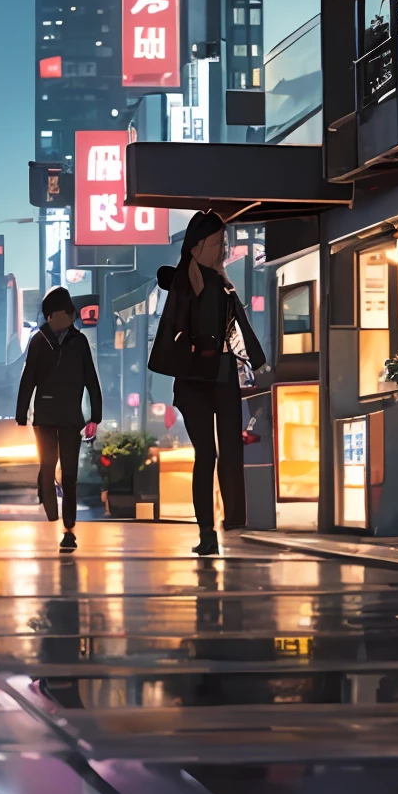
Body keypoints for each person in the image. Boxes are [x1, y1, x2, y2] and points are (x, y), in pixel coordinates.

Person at [147, 210, 267, 556]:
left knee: (225, 452)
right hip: (198, 379)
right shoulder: (187, 283)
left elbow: (240, 328)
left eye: (224, 241)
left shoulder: (219, 284)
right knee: (211, 454)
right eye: (218, 242)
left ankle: (230, 523)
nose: (223, 248)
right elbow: (180, 327)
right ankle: (211, 530)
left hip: (217, 376)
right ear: (199, 245)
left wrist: (257, 364)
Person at [15, 286, 102, 552]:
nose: (70, 317)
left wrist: (95, 415)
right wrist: (21, 413)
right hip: (45, 416)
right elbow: (28, 377)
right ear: (52, 316)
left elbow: (90, 378)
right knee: (48, 466)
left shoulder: (79, 342)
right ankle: (52, 511)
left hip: (71, 418)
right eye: (65, 313)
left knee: (70, 473)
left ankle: (69, 527)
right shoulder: (39, 341)